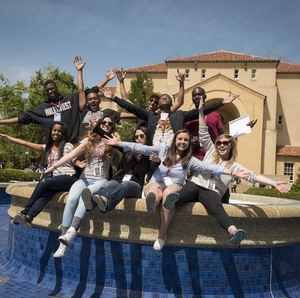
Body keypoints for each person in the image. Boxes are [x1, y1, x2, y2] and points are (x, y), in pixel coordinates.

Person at [163, 97, 290, 248]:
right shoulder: (210, 150)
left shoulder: (234, 166)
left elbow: (253, 176)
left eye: (225, 143)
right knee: (186, 191)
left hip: (212, 191)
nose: (222, 145)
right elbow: (203, 131)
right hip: (196, 183)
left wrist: (273, 183)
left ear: (230, 146)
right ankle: (174, 198)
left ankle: (235, 232)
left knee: (217, 209)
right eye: (220, 143)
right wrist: (202, 110)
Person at [102, 128, 249, 250]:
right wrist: (119, 143)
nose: (182, 142)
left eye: (186, 140)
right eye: (180, 139)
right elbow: (142, 147)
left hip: (174, 185)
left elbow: (209, 167)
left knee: (168, 195)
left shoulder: (190, 160)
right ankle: (152, 200)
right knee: (154, 189)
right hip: (157, 181)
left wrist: (231, 172)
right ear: (175, 140)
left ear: (189, 143)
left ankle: (162, 234)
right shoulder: (163, 150)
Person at [44, 115, 120, 258]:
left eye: (110, 123)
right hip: (84, 178)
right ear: (99, 124)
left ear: (112, 127)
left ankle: (72, 232)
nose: (106, 125)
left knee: (84, 198)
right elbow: (71, 154)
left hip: (100, 180)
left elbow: (120, 167)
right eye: (103, 122)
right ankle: (63, 244)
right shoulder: (88, 140)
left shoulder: (114, 144)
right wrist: (53, 167)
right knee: (71, 200)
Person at [0, 56, 118, 143]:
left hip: (74, 143)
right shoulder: (42, 109)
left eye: (52, 88)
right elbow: (22, 119)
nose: (50, 91)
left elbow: (89, 92)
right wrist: (1, 122)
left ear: (57, 88)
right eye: (47, 90)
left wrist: (106, 79)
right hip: (56, 147)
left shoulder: (71, 99)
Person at [100, 86, 237, 147]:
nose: (164, 98)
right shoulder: (152, 116)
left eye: (167, 97)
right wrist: (114, 98)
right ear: (159, 104)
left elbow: (201, 110)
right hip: (154, 153)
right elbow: (132, 108)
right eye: (162, 97)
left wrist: (221, 103)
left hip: (173, 154)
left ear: (172, 103)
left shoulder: (179, 115)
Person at [0, 122, 78, 227]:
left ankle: (24, 212)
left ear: (63, 133)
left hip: (68, 178)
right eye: (55, 130)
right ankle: (29, 217)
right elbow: (24, 143)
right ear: (51, 131)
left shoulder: (68, 146)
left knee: (44, 182)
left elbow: (74, 157)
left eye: (59, 131)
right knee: (46, 194)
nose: (56, 132)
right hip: (54, 179)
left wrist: (78, 162)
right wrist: (7, 137)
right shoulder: (47, 148)